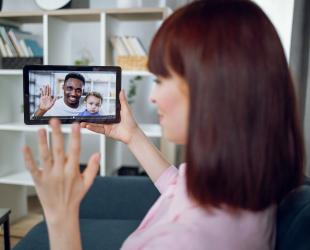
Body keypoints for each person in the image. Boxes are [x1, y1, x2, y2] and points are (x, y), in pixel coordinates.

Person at [23, 0, 304, 249]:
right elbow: (176, 188)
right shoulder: (240, 178)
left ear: (212, 89)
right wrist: (132, 135)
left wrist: (60, 216)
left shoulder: (190, 242)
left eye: (160, 79)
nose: (153, 96)